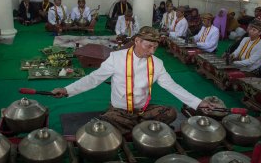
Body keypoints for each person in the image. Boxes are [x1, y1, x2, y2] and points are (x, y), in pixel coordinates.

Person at [51, 27, 216, 134]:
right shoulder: (116, 58)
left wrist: (198, 102)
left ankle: (133, 126)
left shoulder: (157, 64)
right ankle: (139, 128)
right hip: (119, 111)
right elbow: (93, 79)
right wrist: (67, 90)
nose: (152, 51)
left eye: (155, 47)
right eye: (148, 46)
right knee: (107, 121)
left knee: (171, 112)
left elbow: (172, 86)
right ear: (137, 41)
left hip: (143, 111)